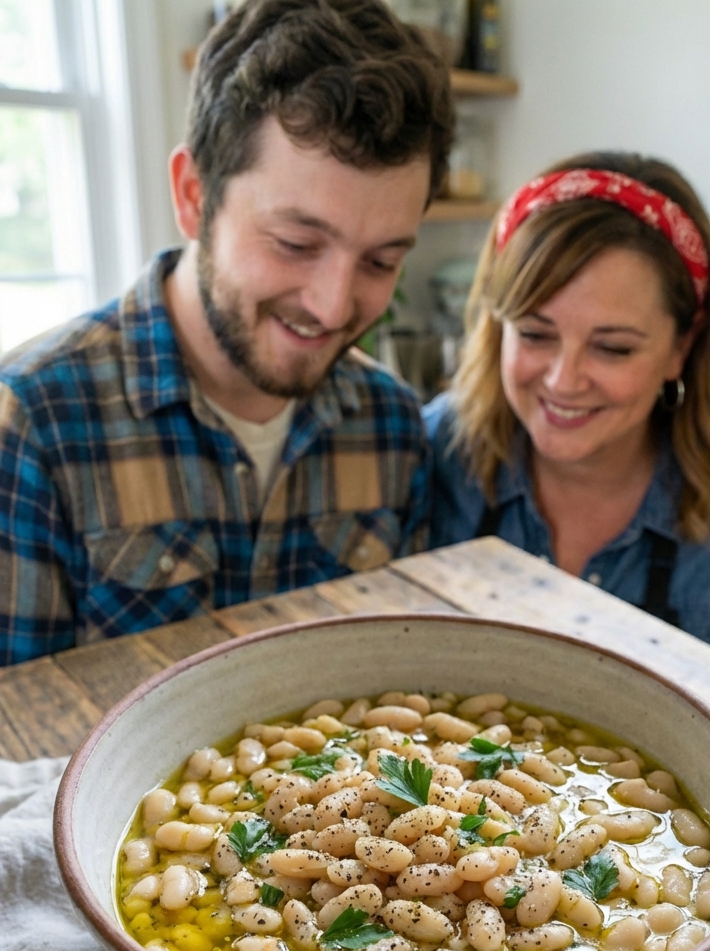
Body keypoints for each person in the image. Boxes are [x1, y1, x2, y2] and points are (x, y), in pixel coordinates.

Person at [0, 0, 453, 665]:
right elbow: (14, 727)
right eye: (296, 243)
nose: (333, 308)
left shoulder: (392, 425)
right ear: (193, 196)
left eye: (381, 262)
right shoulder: (34, 425)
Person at [425, 154, 710, 689]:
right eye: (535, 335)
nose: (563, 381)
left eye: (612, 348)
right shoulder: (436, 447)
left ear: (681, 347)